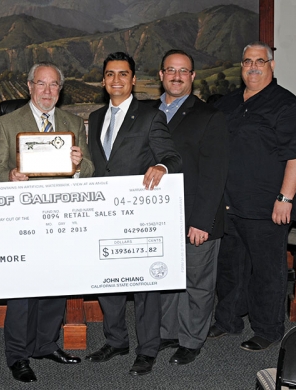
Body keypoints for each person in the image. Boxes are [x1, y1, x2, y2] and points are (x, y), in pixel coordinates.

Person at [0, 62, 93, 382]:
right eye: (41, 84)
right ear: (29, 86)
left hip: (61, 218)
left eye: (54, 86)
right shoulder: (7, 123)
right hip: (22, 217)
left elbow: (90, 169)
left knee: (55, 285)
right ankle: (18, 355)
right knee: (22, 290)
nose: (47, 91)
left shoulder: (73, 123)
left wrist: (78, 165)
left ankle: (46, 343)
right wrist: (10, 176)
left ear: (60, 91)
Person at [208, 41, 296, 351]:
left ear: (272, 66)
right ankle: (228, 320)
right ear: (241, 66)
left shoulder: (287, 105)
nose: (253, 66)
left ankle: (268, 328)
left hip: (268, 206)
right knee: (230, 267)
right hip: (229, 204)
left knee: (267, 270)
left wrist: (286, 198)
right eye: (247, 61)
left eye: (260, 61)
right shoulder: (227, 104)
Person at [84, 52, 182, 376]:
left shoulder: (151, 116)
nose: (116, 80)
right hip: (102, 215)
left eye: (123, 74)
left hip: (138, 216)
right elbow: (100, 165)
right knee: (107, 282)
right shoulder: (96, 117)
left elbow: (171, 155)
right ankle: (116, 341)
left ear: (134, 79)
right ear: (103, 80)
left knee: (144, 287)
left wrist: (161, 165)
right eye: (110, 74)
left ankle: (148, 349)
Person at [154, 50, 228, 365]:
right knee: (166, 279)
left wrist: (202, 222)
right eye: (171, 70)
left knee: (197, 282)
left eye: (184, 71)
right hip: (159, 218)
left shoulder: (209, 116)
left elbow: (215, 175)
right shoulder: (148, 114)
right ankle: (168, 332)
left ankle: (192, 339)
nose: (177, 76)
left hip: (196, 217)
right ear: (160, 75)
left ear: (193, 77)